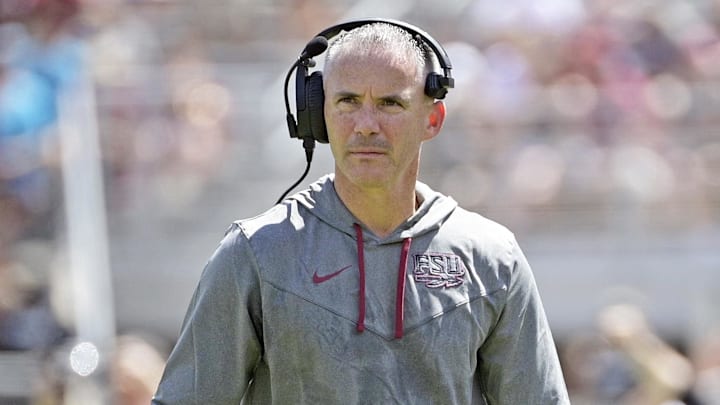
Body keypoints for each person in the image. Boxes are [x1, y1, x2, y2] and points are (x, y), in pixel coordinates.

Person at [153, 19, 569, 404]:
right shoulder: (255, 253)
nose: (366, 124)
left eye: (390, 104)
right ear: (316, 114)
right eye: (348, 101)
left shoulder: (493, 258)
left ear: (433, 119)